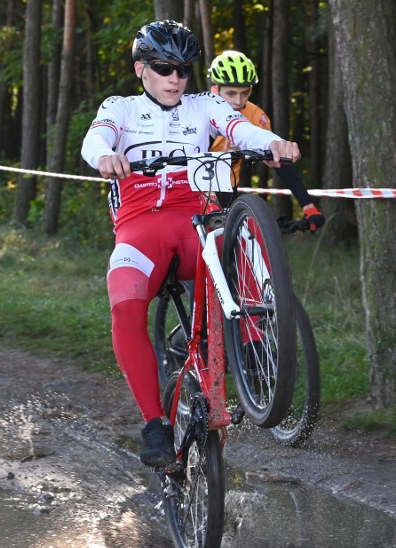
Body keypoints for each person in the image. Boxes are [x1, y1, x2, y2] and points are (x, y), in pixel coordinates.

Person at [80, 20, 302, 467]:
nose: (176, 78)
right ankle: (154, 425)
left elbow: (240, 129)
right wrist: (104, 155)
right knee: (123, 302)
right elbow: (95, 136)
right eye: (164, 68)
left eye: (184, 69)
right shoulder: (119, 107)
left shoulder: (205, 105)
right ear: (142, 68)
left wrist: (274, 142)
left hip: (195, 217)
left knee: (243, 248)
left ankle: (256, 349)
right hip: (141, 226)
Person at [208, 50, 325, 232]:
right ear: (215, 90)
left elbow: (279, 162)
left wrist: (308, 205)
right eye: (231, 94)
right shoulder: (199, 109)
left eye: (244, 93)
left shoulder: (255, 115)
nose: (238, 101)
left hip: (227, 190)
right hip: (191, 189)